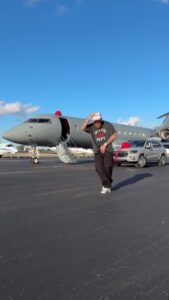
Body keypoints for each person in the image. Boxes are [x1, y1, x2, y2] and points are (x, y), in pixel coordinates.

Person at [81, 113, 117, 194]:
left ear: (101, 119)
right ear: (93, 121)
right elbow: (82, 128)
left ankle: (107, 185)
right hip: (97, 150)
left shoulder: (108, 125)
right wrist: (89, 117)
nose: (97, 123)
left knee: (108, 166)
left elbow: (114, 136)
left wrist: (105, 144)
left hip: (108, 149)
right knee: (98, 168)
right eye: (95, 121)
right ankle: (107, 184)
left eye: (99, 121)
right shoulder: (91, 126)